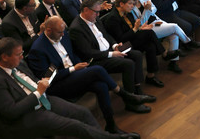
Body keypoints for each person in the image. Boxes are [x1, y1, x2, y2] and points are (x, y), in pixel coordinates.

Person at [0, 37, 139, 139]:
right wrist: (38, 92)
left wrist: (41, 84)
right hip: (26, 117)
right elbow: (12, 112)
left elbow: (30, 81)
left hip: (43, 100)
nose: (22, 56)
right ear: (4, 57)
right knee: (74, 126)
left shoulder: (18, 63)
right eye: (18, 54)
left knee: (82, 113)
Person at [26, 16, 154, 124]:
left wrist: (79, 64)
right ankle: (125, 95)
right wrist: (72, 69)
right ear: (48, 30)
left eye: (63, 31)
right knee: (97, 69)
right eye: (60, 32)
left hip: (75, 73)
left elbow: (71, 55)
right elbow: (48, 79)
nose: (63, 34)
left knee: (101, 85)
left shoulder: (62, 35)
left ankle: (111, 125)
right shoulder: (38, 49)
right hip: (59, 83)